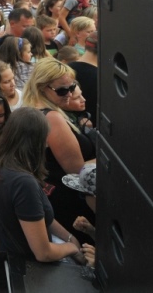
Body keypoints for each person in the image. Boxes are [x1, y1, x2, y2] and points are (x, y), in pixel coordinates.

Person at [0, 107, 90, 264]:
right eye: (45, 138)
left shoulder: (0, 163)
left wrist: (70, 238)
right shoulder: (23, 183)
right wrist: (72, 248)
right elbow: (43, 252)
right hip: (26, 267)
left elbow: (38, 217)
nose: (47, 144)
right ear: (34, 141)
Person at [21, 59, 95, 244]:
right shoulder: (52, 118)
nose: (69, 94)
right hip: (68, 201)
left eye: (72, 87)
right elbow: (78, 170)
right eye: (62, 90)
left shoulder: (29, 110)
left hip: (51, 195)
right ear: (42, 87)